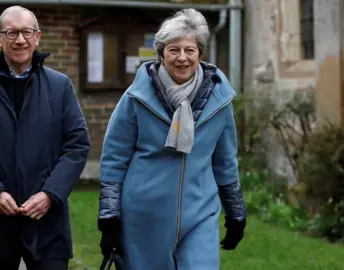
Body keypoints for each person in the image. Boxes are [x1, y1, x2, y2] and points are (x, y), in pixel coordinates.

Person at [97, 9, 247, 270]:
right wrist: (109, 216)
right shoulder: (136, 98)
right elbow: (114, 159)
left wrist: (236, 212)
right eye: (173, 50)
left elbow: (225, 161)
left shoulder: (220, 100)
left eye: (190, 50)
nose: (182, 58)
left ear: (200, 53)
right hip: (144, 217)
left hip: (200, 213)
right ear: (161, 53)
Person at [0, 6, 90, 270]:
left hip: (48, 221)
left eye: (26, 32)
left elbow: (77, 146)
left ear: (37, 37)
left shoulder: (60, 87)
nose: (20, 39)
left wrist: (50, 194)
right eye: (12, 32)